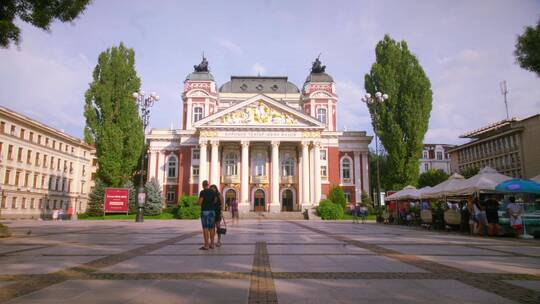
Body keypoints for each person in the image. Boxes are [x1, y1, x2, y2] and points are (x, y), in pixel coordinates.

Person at [196, 180, 217, 250]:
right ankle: (212, 244)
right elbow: (215, 200)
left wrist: (195, 203)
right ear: (208, 185)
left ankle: (206, 245)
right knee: (211, 228)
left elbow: (200, 202)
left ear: (203, 185)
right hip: (212, 211)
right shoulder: (213, 192)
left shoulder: (202, 192)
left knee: (205, 228)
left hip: (205, 211)